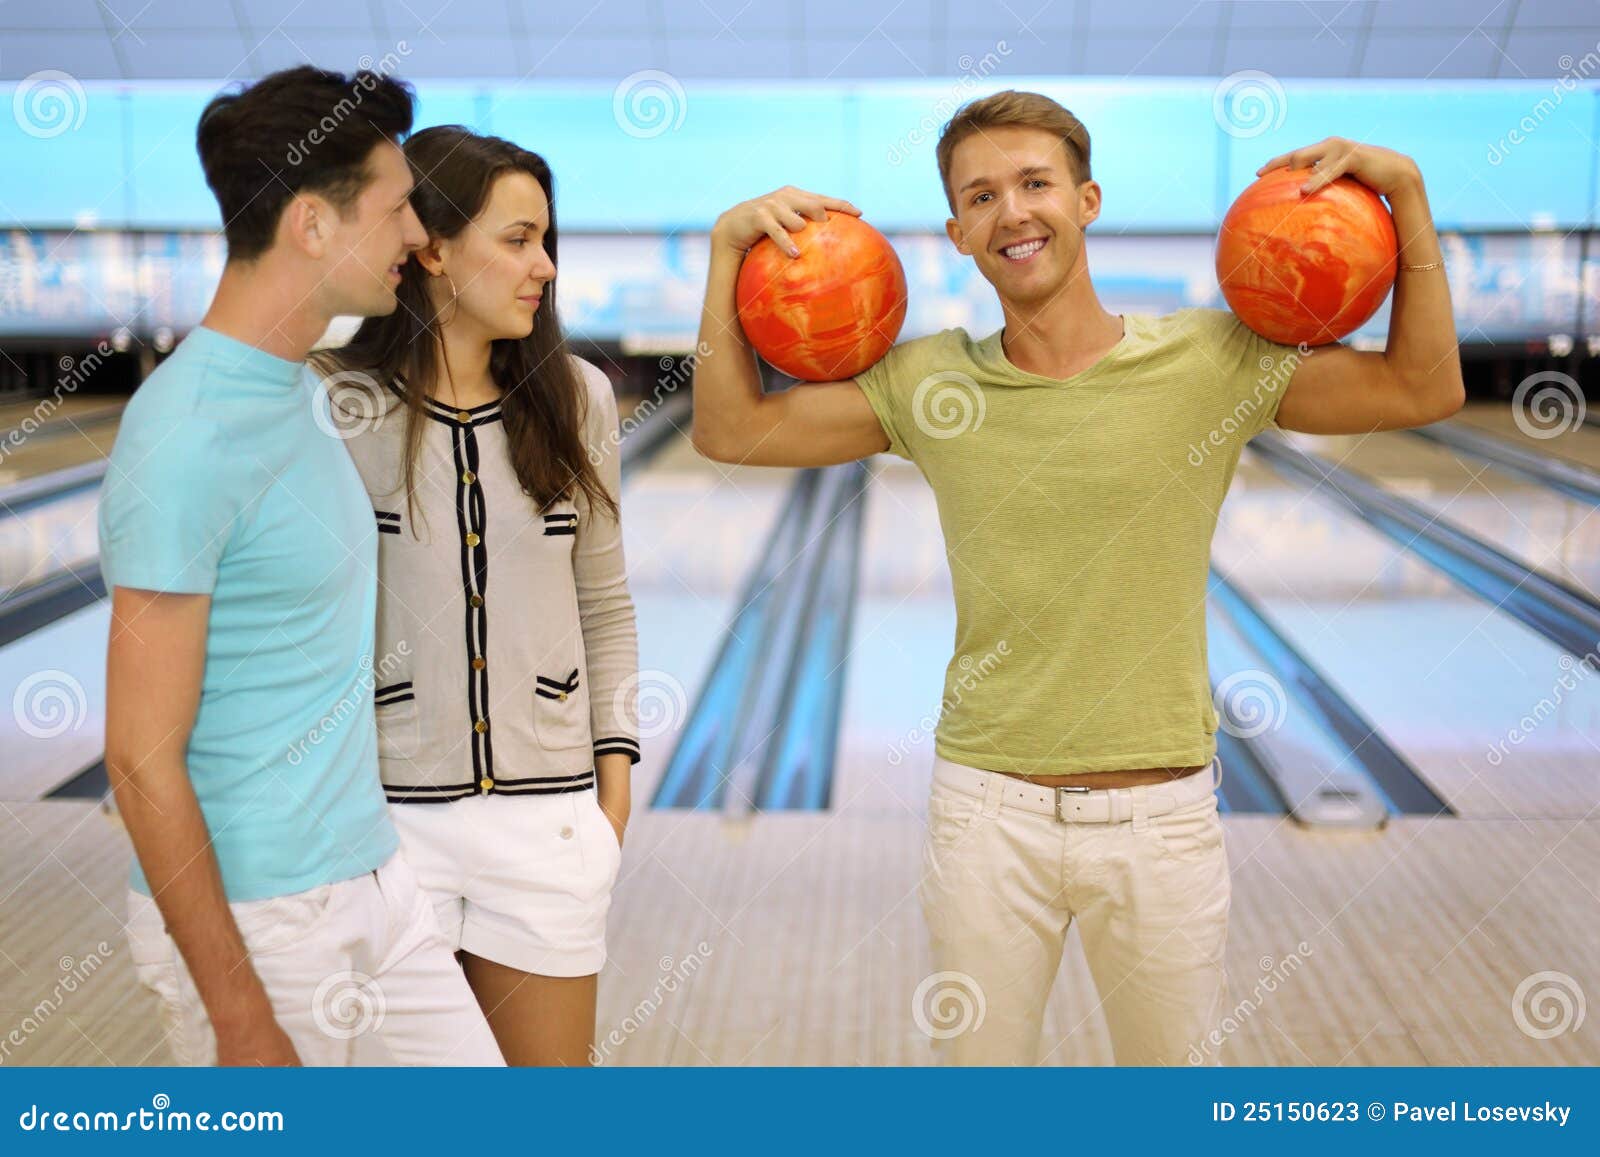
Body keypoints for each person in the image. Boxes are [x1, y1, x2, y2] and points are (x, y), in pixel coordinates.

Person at [690, 90, 1462, 1065]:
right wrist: (725, 253)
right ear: (956, 232)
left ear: (1086, 200)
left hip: (1163, 820)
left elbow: (1423, 384)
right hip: (986, 814)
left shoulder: (1211, 361)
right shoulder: (928, 383)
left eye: (1035, 183)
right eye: (981, 196)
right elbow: (729, 429)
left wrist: (1408, 195)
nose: (1012, 211)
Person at [100, 66, 505, 1067]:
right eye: (397, 207)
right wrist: (240, 1014)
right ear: (313, 225)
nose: (418, 232)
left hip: (374, 881)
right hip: (263, 918)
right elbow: (140, 760)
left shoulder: (296, 390)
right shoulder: (186, 436)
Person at [313, 126, 640, 1067]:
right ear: (432, 249)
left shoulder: (577, 397)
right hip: (384, 824)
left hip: (549, 823)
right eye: (518, 239)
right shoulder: (335, 405)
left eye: (547, 240)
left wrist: (610, 810)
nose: (544, 266)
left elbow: (606, 606)